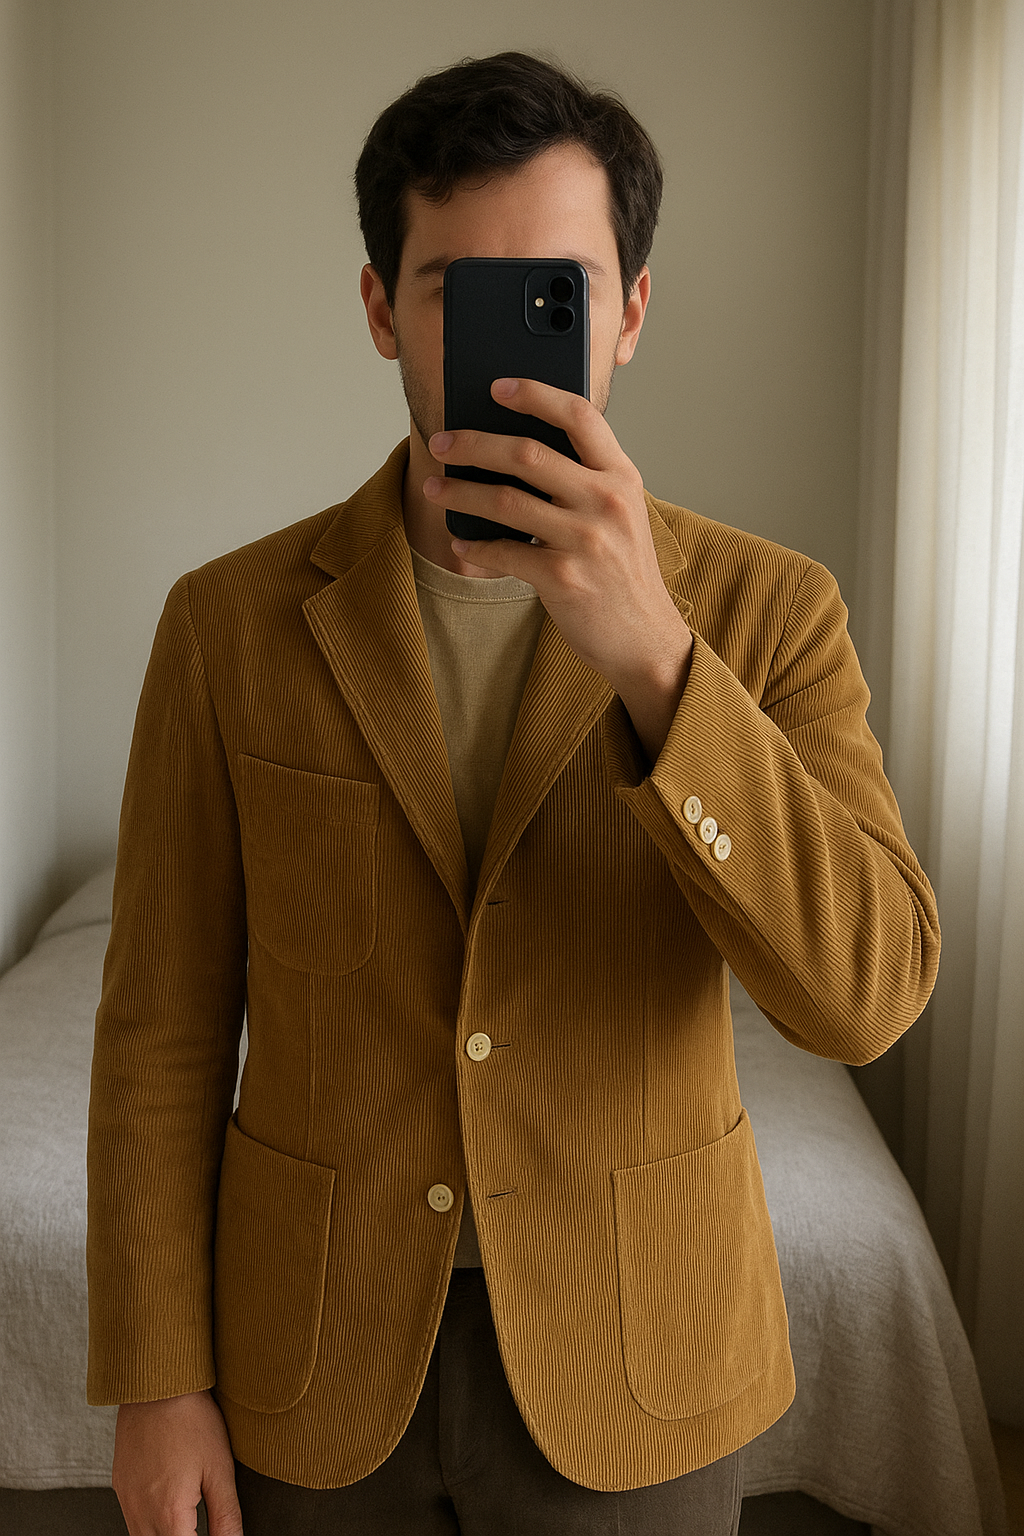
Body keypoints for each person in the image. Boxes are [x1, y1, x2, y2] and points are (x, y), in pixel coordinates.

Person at [87, 51, 940, 1536]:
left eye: (557, 293)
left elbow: (863, 996)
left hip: (641, 1352)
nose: (510, 340)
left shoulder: (768, 612)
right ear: (380, 310)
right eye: (453, 289)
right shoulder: (227, 626)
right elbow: (160, 1025)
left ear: (631, 311)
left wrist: (658, 661)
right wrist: (157, 1383)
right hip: (314, 1347)